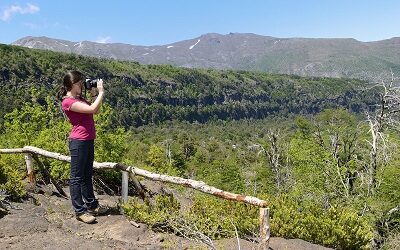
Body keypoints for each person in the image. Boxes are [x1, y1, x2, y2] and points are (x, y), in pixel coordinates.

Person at [57, 70, 108, 224]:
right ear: (72, 84)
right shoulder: (68, 101)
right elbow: (92, 109)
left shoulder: (80, 99)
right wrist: (101, 92)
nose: (82, 85)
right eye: (79, 83)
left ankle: (92, 205)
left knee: (86, 175)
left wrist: (94, 94)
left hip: (87, 140)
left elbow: (96, 111)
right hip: (78, 142)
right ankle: (80, 211)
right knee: (76, 177)